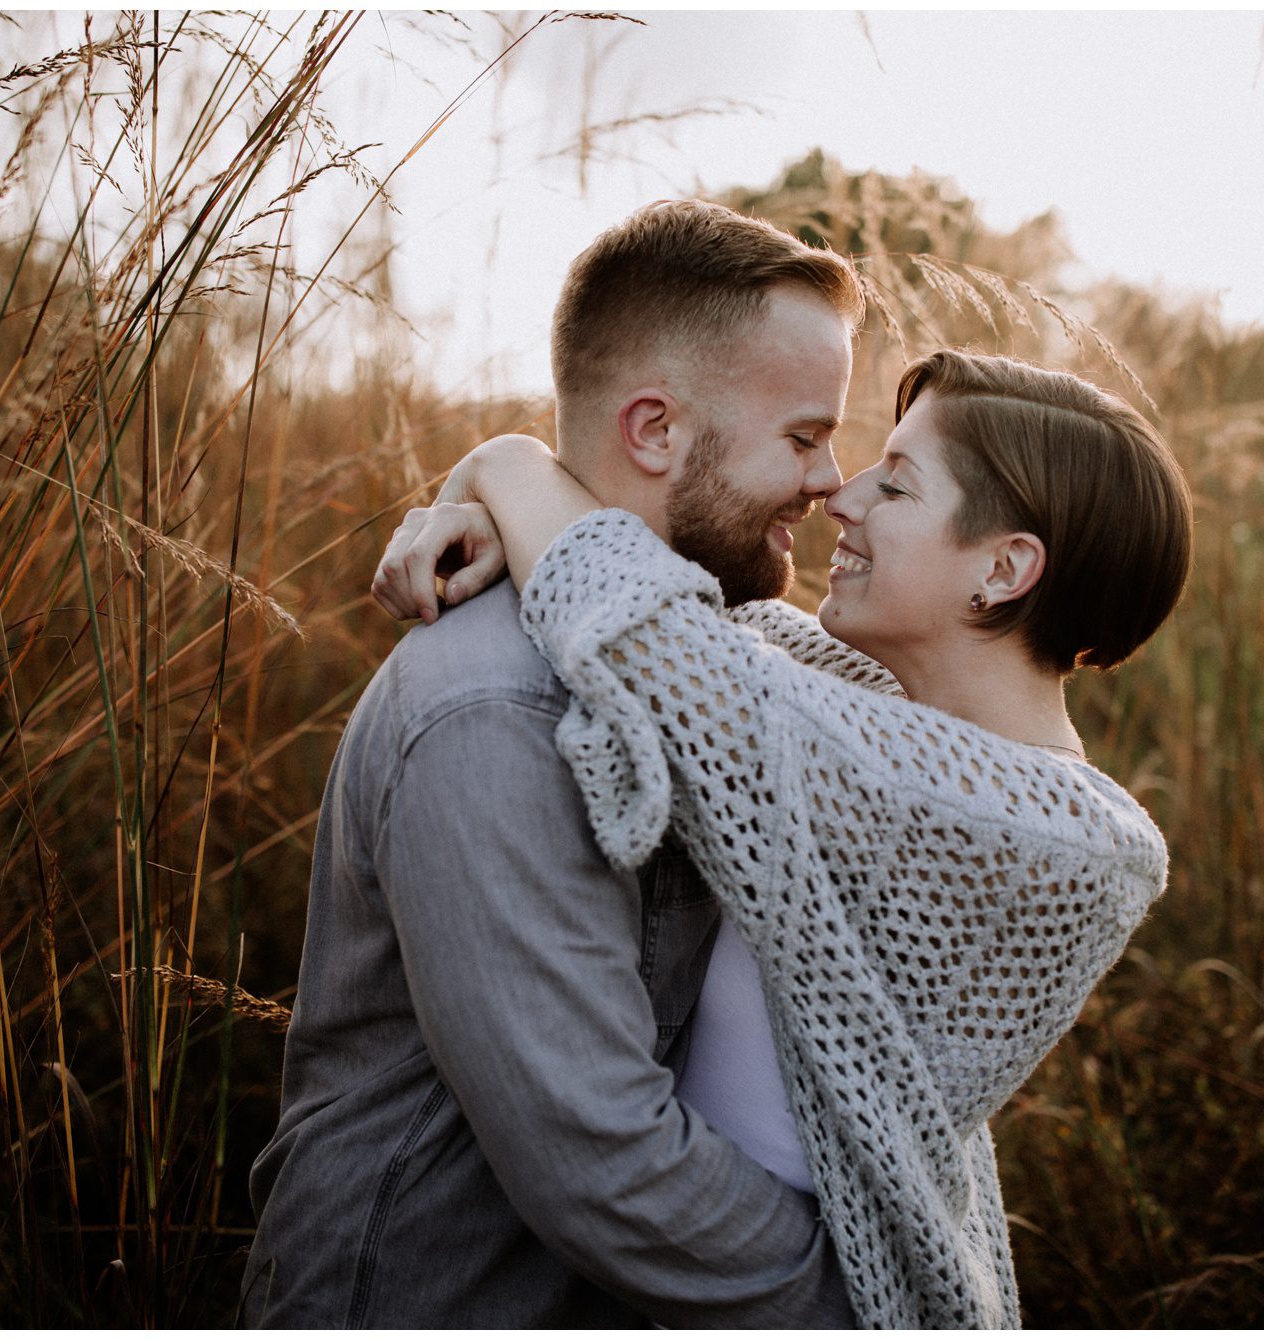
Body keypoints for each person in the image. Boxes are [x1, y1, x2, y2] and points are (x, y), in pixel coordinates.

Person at [373, 348, 1193, 1326]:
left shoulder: (1055, 835)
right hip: (692, 1271)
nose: (842, 496)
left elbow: (647, 632)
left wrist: (505, 463)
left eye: (895, 482)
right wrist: (487, 513)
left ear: (1003, 566)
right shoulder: (867, 705)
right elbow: (675, 593)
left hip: (792, 1291)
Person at [239, 200, 869, 1326]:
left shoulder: (700, 660)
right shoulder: (495, 711)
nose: (833, 479)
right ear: (655, 431)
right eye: (803, 435)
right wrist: (863, 1295)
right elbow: (605, 1167)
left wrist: (503, 464)